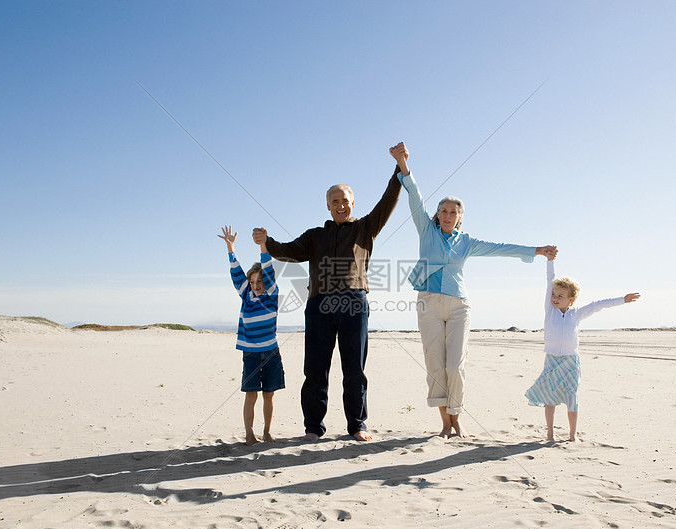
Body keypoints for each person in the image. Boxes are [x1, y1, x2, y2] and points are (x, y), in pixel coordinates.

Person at [390, 143, 557, 439]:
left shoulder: (466, 242)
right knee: (435, 366)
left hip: (458, 305)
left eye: (453, 212)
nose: (447, 215)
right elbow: (414, 197)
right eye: (443, 210)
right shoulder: (426, 231)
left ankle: (457, 417)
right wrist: (403, 163)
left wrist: (537, 250)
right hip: (428, 303)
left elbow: (500, 248)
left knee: (455, 366)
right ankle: (444, 423)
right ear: (437, 214)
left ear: (460, 217)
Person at [252, 149, 404, 442]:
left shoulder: (365, 228)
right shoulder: (314, 236)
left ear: (352, 203)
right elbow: (288, 251)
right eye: (335, 202)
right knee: (315, 370)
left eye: (345, 201)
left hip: (354, 303)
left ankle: (358, 425)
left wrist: (399, 167)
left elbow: (388, 201)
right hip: (319, 305)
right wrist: (266, 242)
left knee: (354, 370)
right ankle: (313, 428)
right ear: (328, 206)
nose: (341, 205)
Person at [524, 253, 640, 441]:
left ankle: (572, 435)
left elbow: (598, 305)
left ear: (571, 299)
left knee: (572, 398)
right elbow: (550, 280)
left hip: (571, 361)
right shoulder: (549, 310)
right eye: (554, 294)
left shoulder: (576, 314)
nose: (555, 298)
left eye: (560, 296)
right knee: (549, 398)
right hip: (552, 360)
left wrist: (622, 299)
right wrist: (550, 260)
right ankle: (550, 434)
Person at [218, 225, 285, 445]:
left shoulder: (271, 296)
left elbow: (267, 266)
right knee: (251, 394)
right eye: (253, 282)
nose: (256, 285)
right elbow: (236, 272)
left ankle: (267, 432)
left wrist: (263, 245)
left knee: (269, 394)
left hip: (271, 352)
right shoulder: (245, 295)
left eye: (260, 281)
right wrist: (230, 248)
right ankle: (249, 434)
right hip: (251, 354)